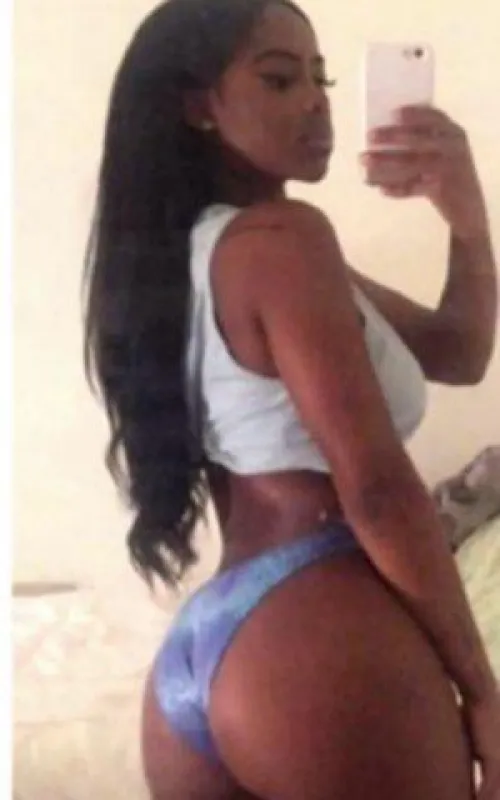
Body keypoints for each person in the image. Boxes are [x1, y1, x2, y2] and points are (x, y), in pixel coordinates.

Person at [83, 0, 500, 797]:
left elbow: (459, 350)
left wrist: (467, 219)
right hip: (318, 622)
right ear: (197, 106)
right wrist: (482, 690)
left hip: (206, 652)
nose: (315, 103)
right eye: (280, 80)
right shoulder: (284, 242)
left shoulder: (192, 254)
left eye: (322, 79)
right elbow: (376, 490)